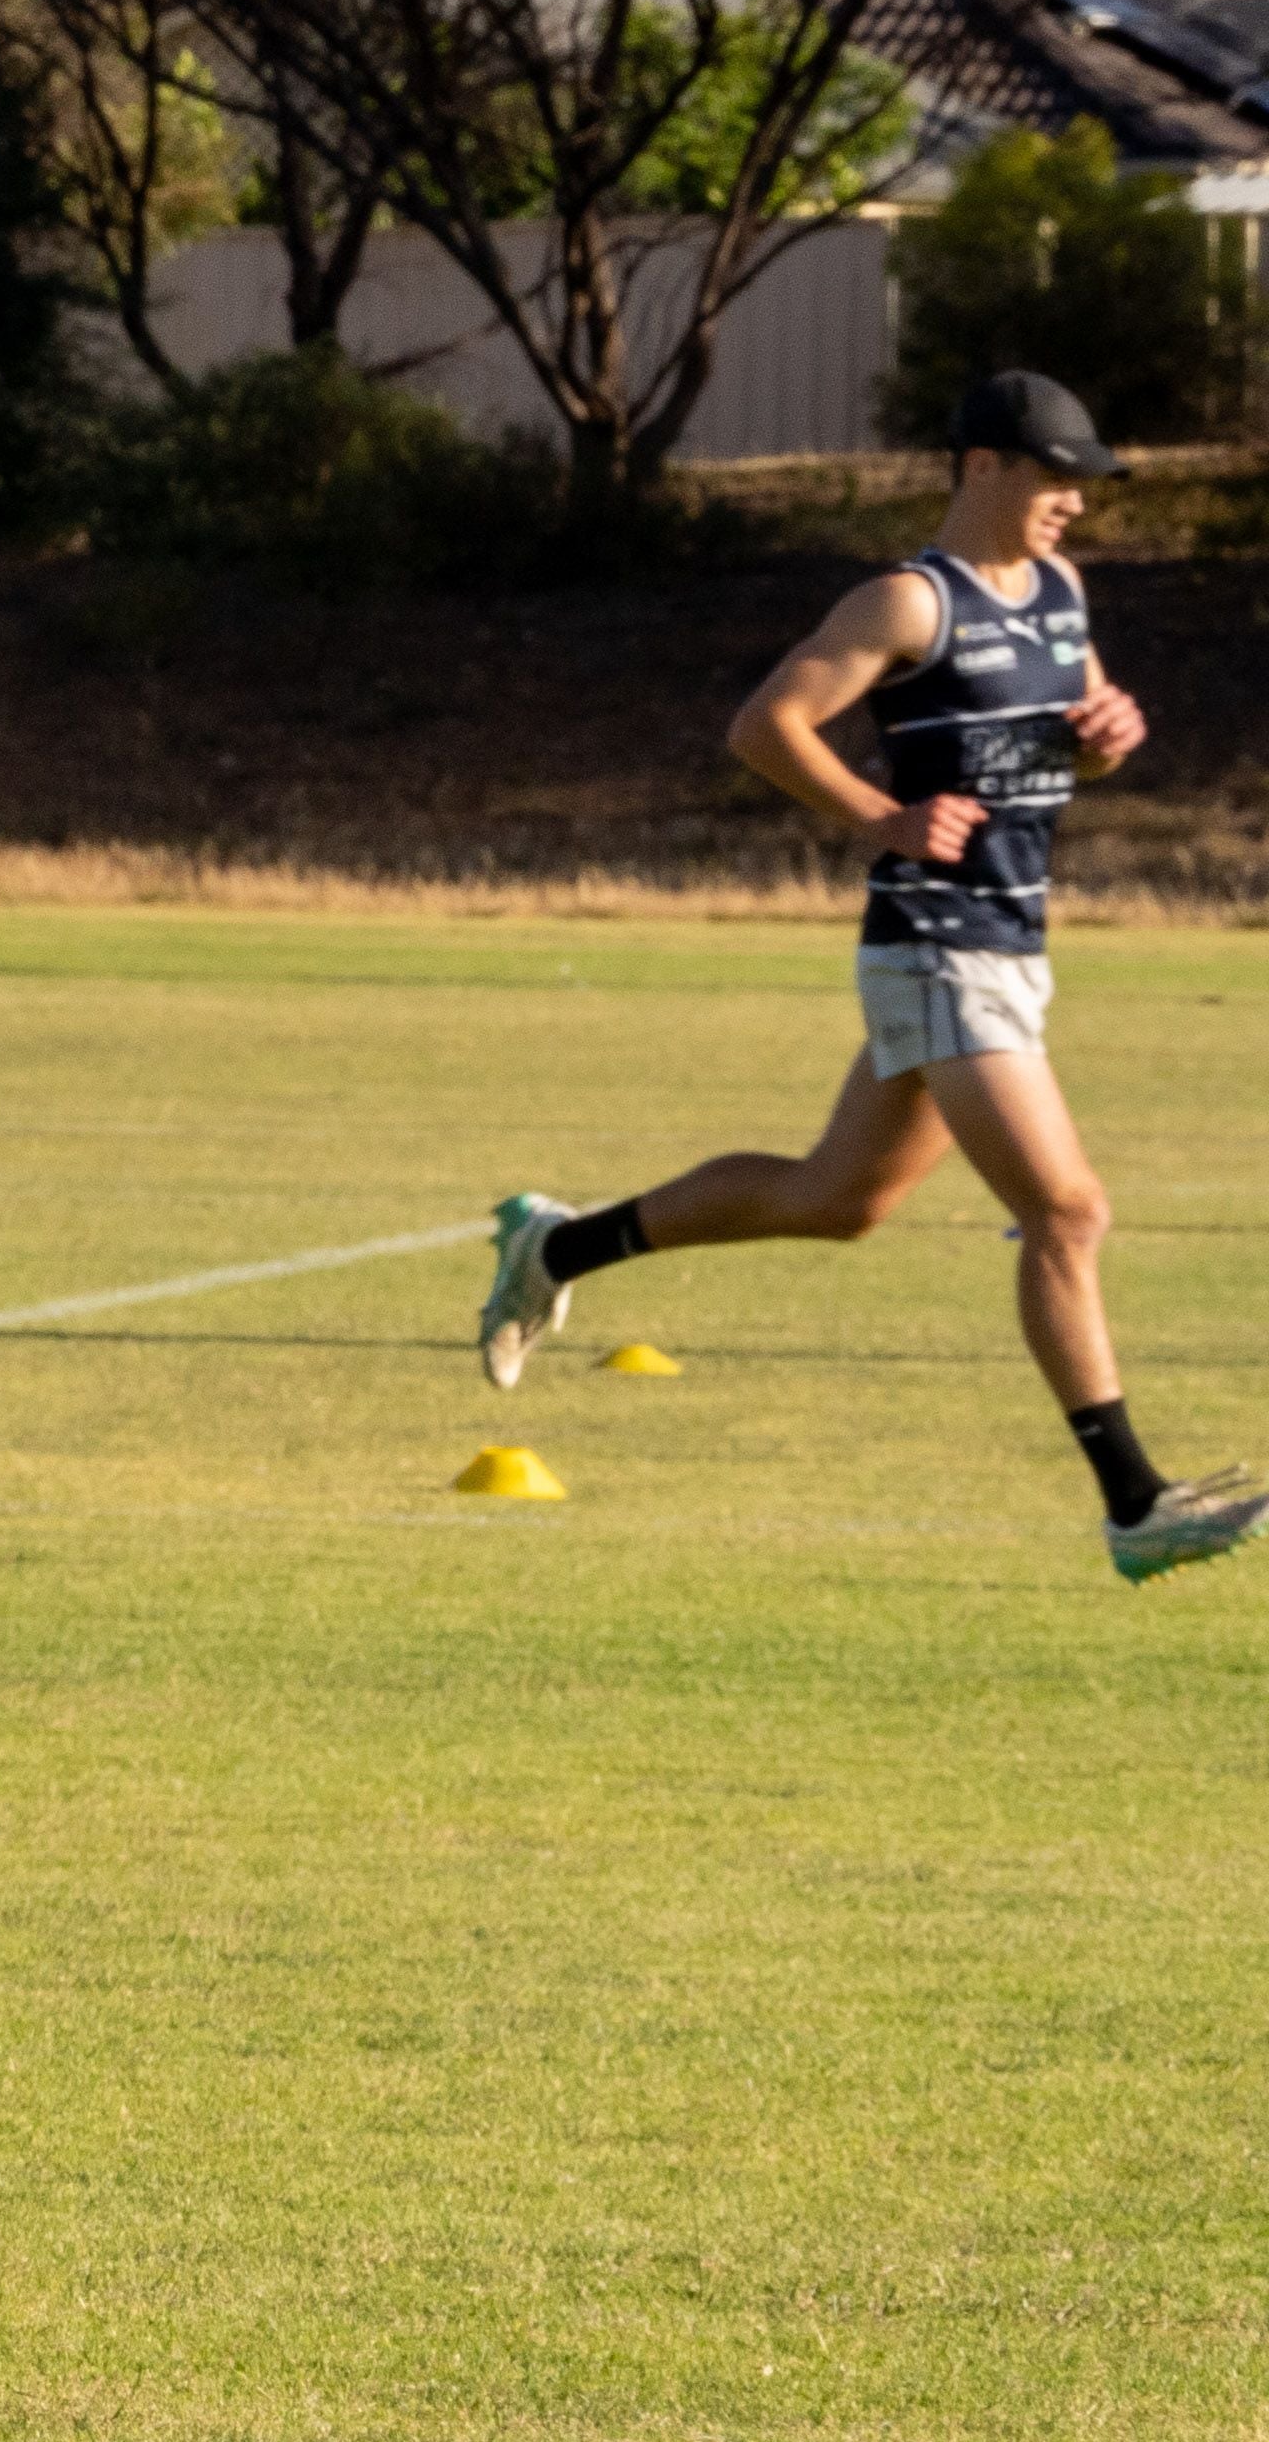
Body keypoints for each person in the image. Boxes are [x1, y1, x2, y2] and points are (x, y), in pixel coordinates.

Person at [476, 368, 1260, 1582]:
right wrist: (881, 815)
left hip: (1011, 941)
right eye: (1057, 478)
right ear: (983, 466)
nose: (1076, 504)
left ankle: (558, 1248)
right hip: (936, 943)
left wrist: (1109, 736)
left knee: (838, 1200)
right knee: (1067, 1210)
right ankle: (1134, 1501)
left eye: (1085, 484)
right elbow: (764, 725)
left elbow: (1067, 740)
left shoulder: (1060, 590)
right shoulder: (907, 601)